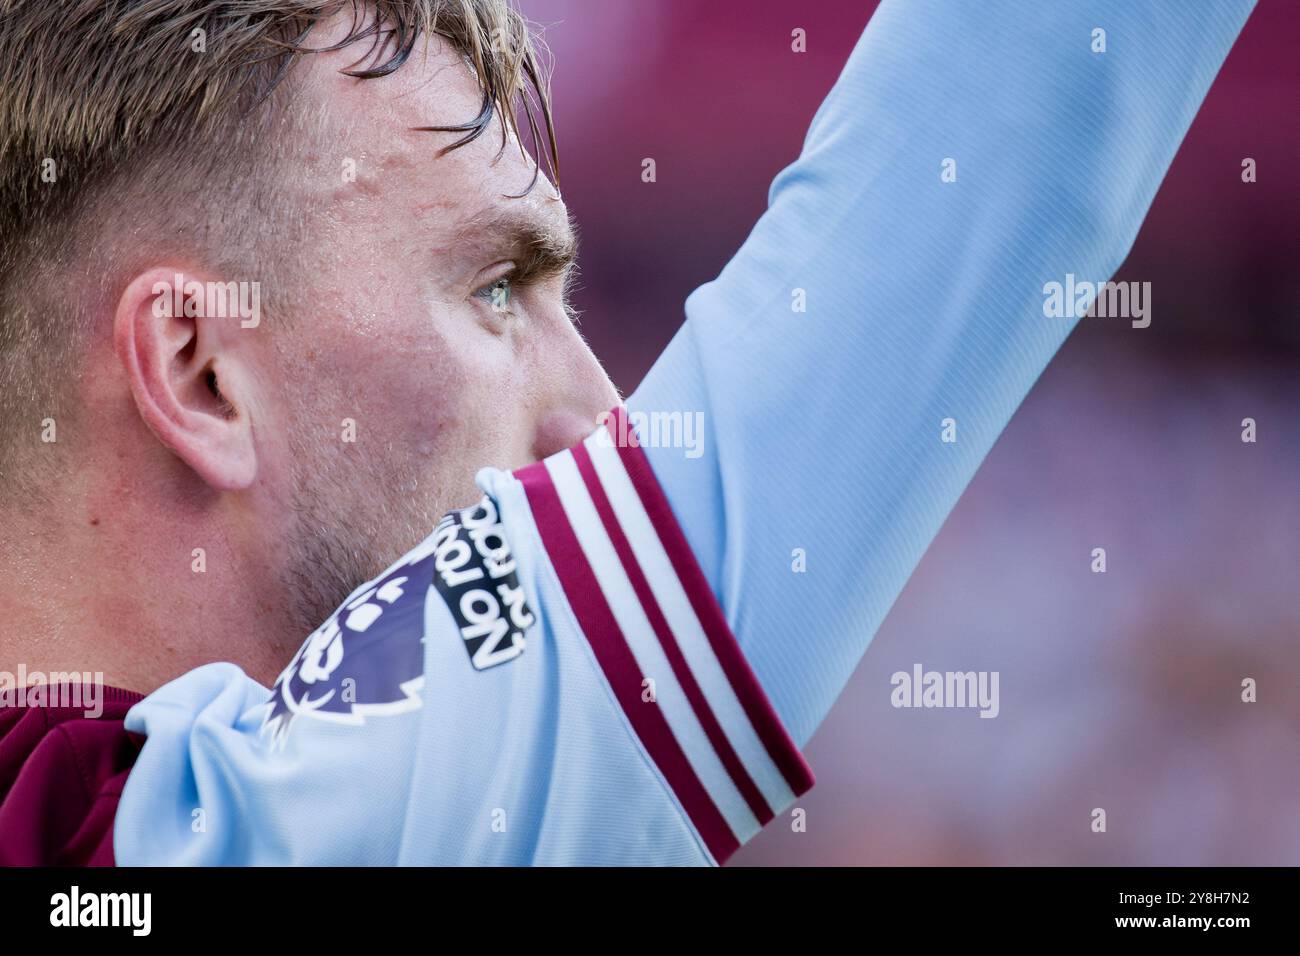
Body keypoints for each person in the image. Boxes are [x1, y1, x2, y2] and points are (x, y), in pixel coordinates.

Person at [0, 0, 1255, 865]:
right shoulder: (168, 838)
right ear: (201, 368)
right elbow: (1003, 147)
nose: (600, 414)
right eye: (493, 288)